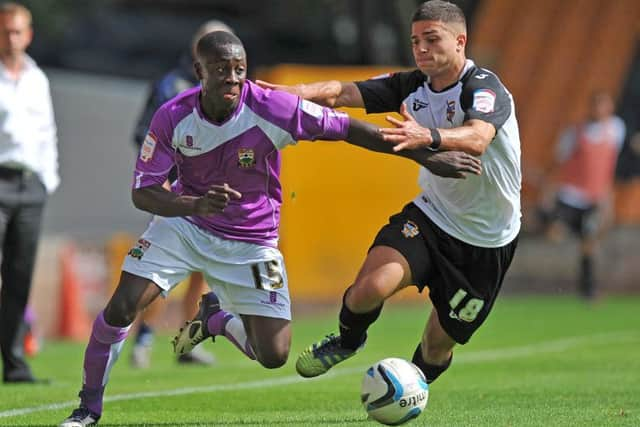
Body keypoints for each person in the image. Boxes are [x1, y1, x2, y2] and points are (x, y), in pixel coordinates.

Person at [59, 30, 480, 426]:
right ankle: (87, 409)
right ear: (200, 70)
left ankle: (217, 320)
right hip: (185, 225)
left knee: (275, 355)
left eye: (240, 69)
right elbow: (144, 193)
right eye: (222, 69)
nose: (233, 78)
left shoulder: (271, 107)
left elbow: (349, 129)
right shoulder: (172, 117)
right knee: (122, 305)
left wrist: (426, 155)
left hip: (253, 242)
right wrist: (195, 203)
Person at [258, 0, 521, 384]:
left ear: (461, 41)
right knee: (367, 289)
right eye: (416, 41)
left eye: (432, 39)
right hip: (433, 217)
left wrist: (427, 135)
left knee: (436, 346)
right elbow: (339, 93)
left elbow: (479, 137)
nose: (422, 49)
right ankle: (348, 341)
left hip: (488, 241)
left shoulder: (482, 87)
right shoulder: (412, 86)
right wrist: (283, 93)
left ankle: (409, 389)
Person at [129, 20, 233, 369]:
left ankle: (188, 341)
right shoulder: (171, 86)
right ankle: (143, 339)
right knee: (162, 269)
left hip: (213, 193)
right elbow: (146, 136)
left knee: (203, 269)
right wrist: (164, 182)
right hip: (175, 193)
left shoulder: (232, 87)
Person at [0, 2, 59, 383]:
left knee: (20, 276)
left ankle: (15, 361)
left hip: (30, 186)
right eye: (5, 31)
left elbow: (48, 133)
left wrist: (47, 180)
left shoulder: (37, 78)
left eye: (17, 31)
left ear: (29, 34)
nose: (11, 38)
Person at [537, 91, 625, 300]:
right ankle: (543, 284)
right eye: (597, 105)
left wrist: (607, 198)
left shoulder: (616, 129)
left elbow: (608, 167)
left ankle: (588, 290)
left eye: (605, 106)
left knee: (589, 243)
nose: (601, 110)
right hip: (569, 196)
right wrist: (547, 191)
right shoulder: (575, 132)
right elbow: (557, 163)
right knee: (553, 234)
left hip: (593, 199)